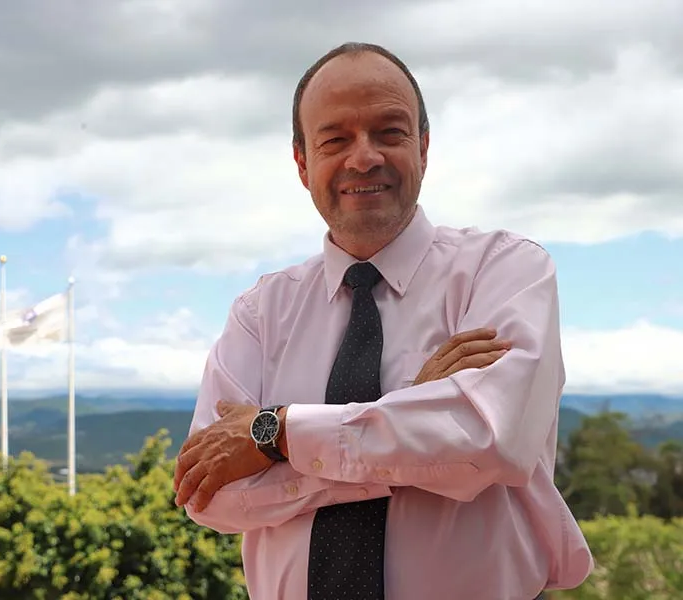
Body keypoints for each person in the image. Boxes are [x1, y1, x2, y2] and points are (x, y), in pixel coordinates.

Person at [173, 42, 593, 600]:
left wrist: (273, 433)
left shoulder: (506, 269)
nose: (363, 157)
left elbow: (489, 440)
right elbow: (210, 497)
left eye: (389, 132)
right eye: (335, 139)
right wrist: (405, 421)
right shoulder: (259, 313)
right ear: (302, 163)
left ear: (423, 147)